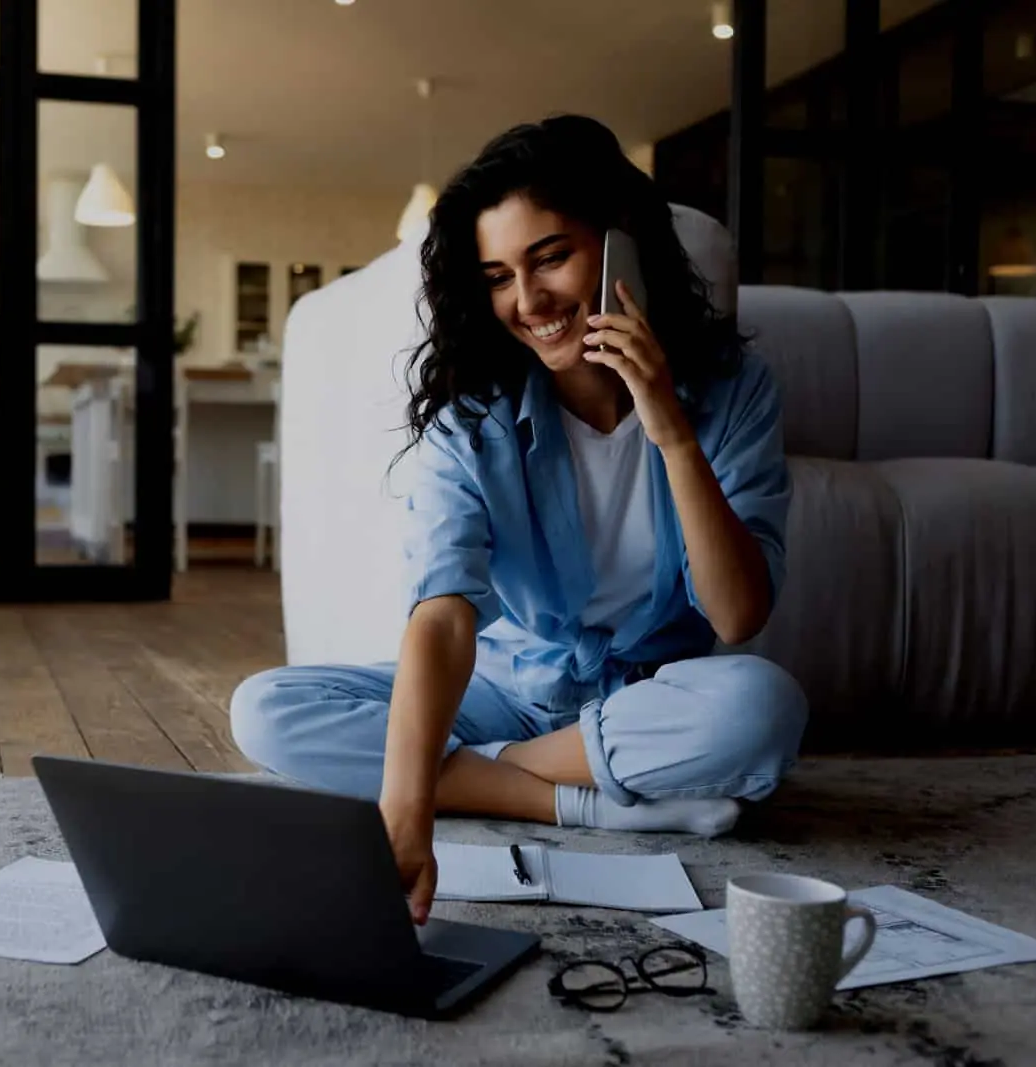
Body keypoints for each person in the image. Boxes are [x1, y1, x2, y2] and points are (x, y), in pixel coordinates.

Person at [230, 114, 808, 924]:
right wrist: (406, 814)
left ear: (622, 247)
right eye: (498, 275)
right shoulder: (476, 416)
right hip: (503, 689)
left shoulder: (733, 389)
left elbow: (738, 614)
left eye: (551, 259)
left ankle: (499, 775)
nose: (527, 301)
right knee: (265, 709)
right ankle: (583, 804)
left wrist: (669, 425)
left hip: (644, 699)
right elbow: (442, 616)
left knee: (761, 710)